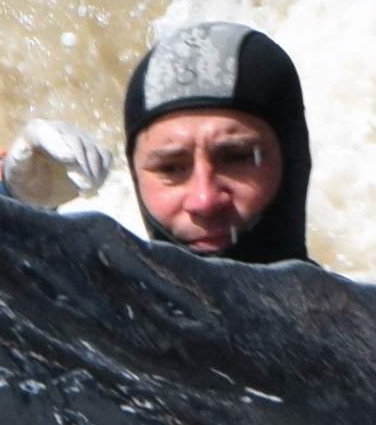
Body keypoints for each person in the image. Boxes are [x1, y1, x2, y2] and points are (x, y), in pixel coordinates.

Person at [118, 21, 313, 264]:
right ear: (135, 174)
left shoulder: (358, 303)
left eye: (236, 157)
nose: (205, 201)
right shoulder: (88, 299)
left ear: (294, 161)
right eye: (170, 168)